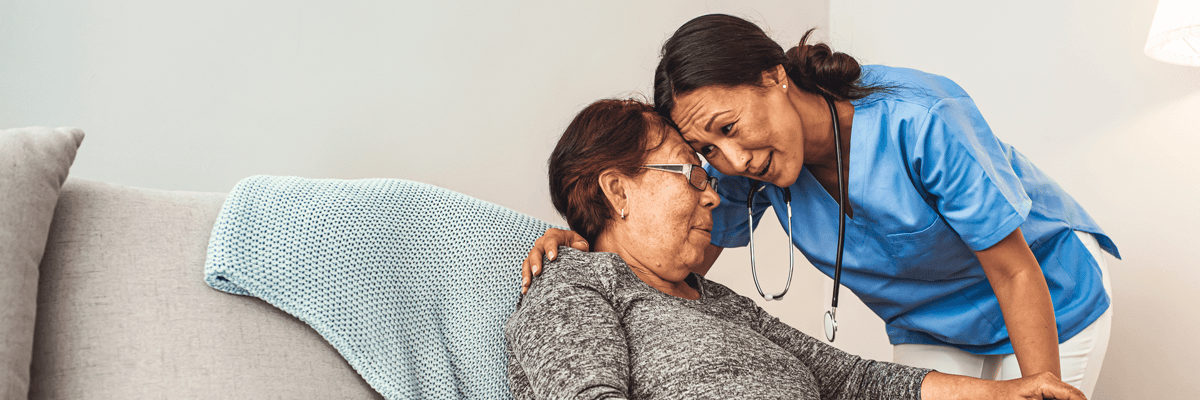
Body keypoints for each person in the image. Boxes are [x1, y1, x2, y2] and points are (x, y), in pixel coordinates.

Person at [520, 14, 1117, 396]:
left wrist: (1039, 384)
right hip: (929, 325)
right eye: (705, 151)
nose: (732, 161)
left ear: (774, 77)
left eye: (729, 127)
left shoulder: (920, 117)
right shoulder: (739, 170)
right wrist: (589, 246)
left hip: (1046, 296)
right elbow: (673, 263)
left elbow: (1012, 271)